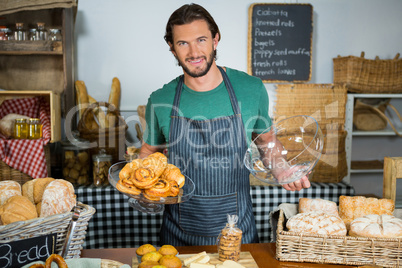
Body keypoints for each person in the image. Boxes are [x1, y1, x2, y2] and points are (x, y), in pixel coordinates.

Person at [140, 3, 310, 246]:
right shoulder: (160, 99)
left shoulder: (251, 89)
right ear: (171, 48)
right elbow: (148, 153)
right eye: (183, 43)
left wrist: (281, 169)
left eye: (201, 39)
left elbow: (267, 142)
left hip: (238, 232)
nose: (194, 51)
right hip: (178, 238)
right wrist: (143, 187)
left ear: (215, 40)